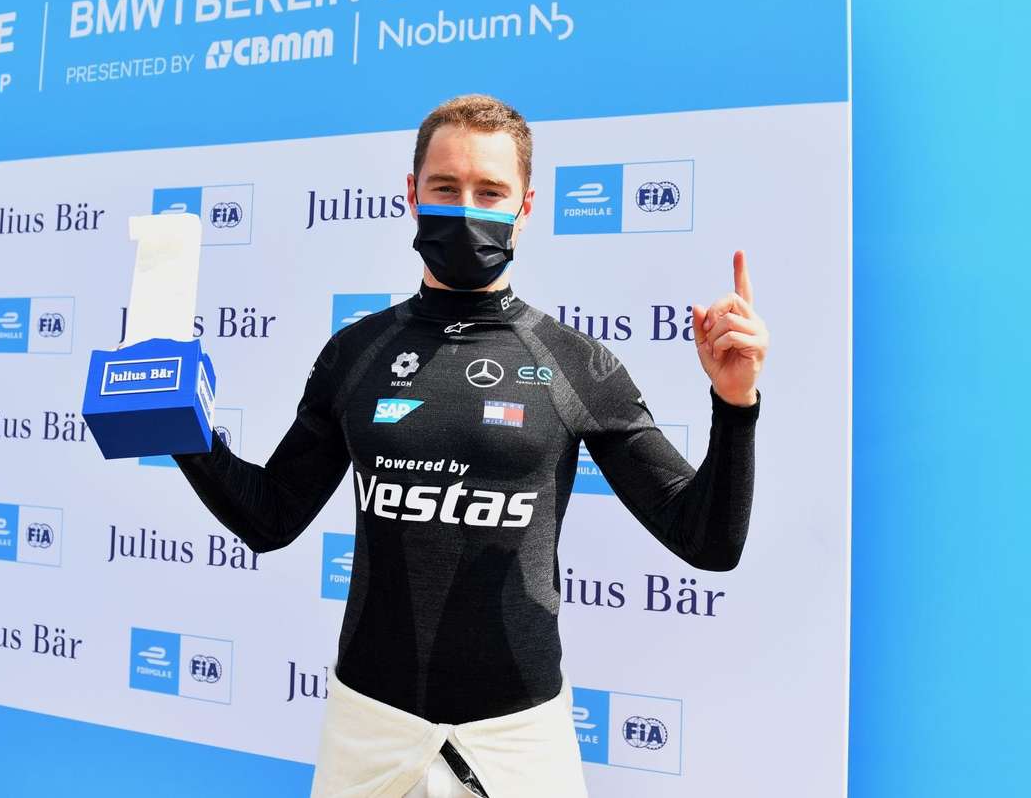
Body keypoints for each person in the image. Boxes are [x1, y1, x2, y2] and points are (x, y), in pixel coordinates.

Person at [172, 94, 769, 797]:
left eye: (490, 192)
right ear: (411, 195)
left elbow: (708, 542)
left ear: (526, 207)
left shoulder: (576, 363)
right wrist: (177, 421)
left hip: (520, 741)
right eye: (445, 188)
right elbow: (270, 517)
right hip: (368, 730)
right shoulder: (356, 354)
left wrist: (735, 404)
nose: (465, 210)